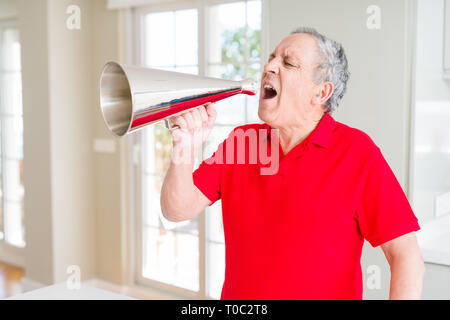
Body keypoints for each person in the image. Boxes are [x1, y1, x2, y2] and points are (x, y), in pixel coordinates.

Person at [160, 27, 424, 300]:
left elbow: (406, 257)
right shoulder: (242, 141)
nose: (269, 66)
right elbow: (176, 210)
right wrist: (184, 146)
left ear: (321, 93)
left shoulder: (357, 153)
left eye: (288, 62)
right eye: (272, 57)